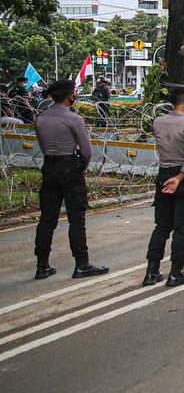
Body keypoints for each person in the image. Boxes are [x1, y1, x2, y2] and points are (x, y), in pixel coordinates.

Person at [32, 80, 109, 280]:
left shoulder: (41, 118)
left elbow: (42, 144)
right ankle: (82, 264)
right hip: (70, 168)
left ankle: (42, 265)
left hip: (49, 167)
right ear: (70, 96)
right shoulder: (73, 119)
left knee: (47, 219)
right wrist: (80, 168)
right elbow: (86, 150)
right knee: (76, 218)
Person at [144, 84, 184, 287]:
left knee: (161, 225)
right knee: (182, 227)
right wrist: (180, 177)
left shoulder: (158, 121)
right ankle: (176, 272)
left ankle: (151, 271)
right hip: (183, 178)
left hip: (163, 174)